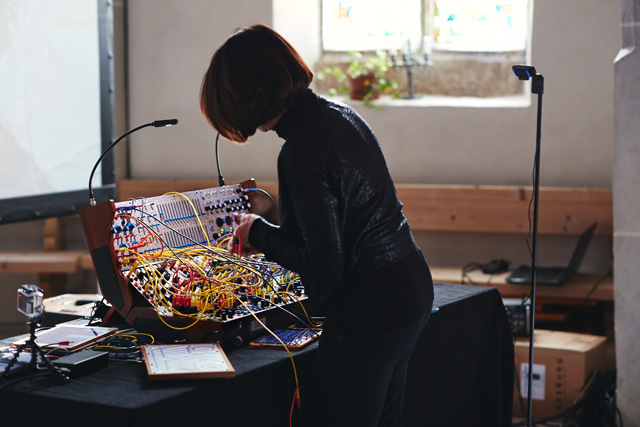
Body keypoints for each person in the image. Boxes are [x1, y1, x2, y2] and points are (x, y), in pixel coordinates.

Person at [200, 24, 434, 427]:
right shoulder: (340, 114)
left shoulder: (301, 151)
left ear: (249, 96)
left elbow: (325, 268)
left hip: (371, 310)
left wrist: (256, 232)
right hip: (408, 288)